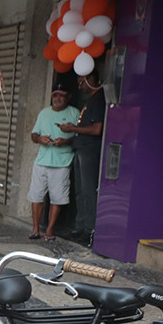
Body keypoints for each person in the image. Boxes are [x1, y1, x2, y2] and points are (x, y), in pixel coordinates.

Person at [28, 85, 80, 241]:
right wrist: (40, 139)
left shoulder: (74, 112)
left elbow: (79, 137)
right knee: (36, 196)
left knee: (57, 198)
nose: (57, 98)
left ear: (67, 97)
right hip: (42, 161)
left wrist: (65, 141)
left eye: (61, 95)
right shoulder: (44, 113)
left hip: (62, 162)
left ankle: (49, 231)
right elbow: (34, 135)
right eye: (55, 95)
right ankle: (36, 229)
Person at [60, 72, 106, 246]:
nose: (79, 86)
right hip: (81, 148)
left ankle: (90, 230)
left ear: (92, 79)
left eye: (82, 82)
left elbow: (96, 129)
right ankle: (80, 227)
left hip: (90, 150)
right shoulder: (92, 100)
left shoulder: (99, 98)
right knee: (79, 191)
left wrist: (74, 129)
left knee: (88, 191)